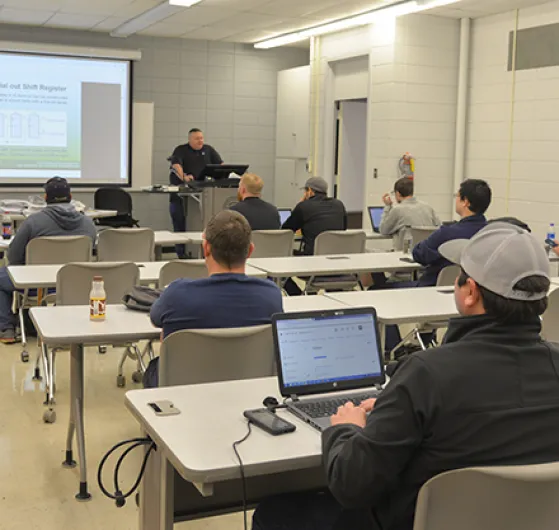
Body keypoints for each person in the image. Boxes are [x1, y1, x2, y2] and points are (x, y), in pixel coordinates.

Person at [253, 222, 559, 530]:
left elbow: (350, 485)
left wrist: (345, 430)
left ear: (471, 293)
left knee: (273, 513)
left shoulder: (426, 375)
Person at [144, 210, 283, 387]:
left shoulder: (177, 294)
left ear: (206, 248)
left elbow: (156, 319)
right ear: (250, 250)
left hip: (182, 391)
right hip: (248, 388)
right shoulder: (271, 295)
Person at [0, 177, 97, 343]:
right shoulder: (88, 224)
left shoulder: (32, 222)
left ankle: (7, 329)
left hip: (33, 285)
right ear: (70, 196)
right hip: (73, 283)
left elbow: (13, 257)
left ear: (45, 198)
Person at [412, 178, 491, 287]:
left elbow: (419, 254)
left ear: (465, 202)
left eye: (457, 196)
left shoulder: (447, 233)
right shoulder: (491, 233)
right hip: (471, 293)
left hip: (432, 290)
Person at [281, 177, 347, 296]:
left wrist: (301, 205)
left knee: (281, 261)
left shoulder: (304, 207)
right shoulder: (339, 205)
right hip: (338, 265)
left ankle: (297, 295)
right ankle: (334, 293)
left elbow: (286, 231)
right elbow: (343, 229)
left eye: (305, 191)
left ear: (310, 191)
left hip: (312, 266)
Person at [168, 128, 223, 258]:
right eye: (197, 138)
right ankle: (181, 254)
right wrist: (184, 178)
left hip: (204, 195)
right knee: (179, 223)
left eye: (202, 138)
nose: (200, 141)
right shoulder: (181, 150)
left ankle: (203, 252)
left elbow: (221, 165)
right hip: (181, 196)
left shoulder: (209, 150)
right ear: (190, 139)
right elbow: (176, 166)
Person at [379, 177, 440, 249]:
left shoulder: (397, 210)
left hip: (404, 255)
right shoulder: (428, 207)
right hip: (426, 254)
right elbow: (439, 227)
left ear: (398, 194)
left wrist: (387, 206)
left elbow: (383, 230)